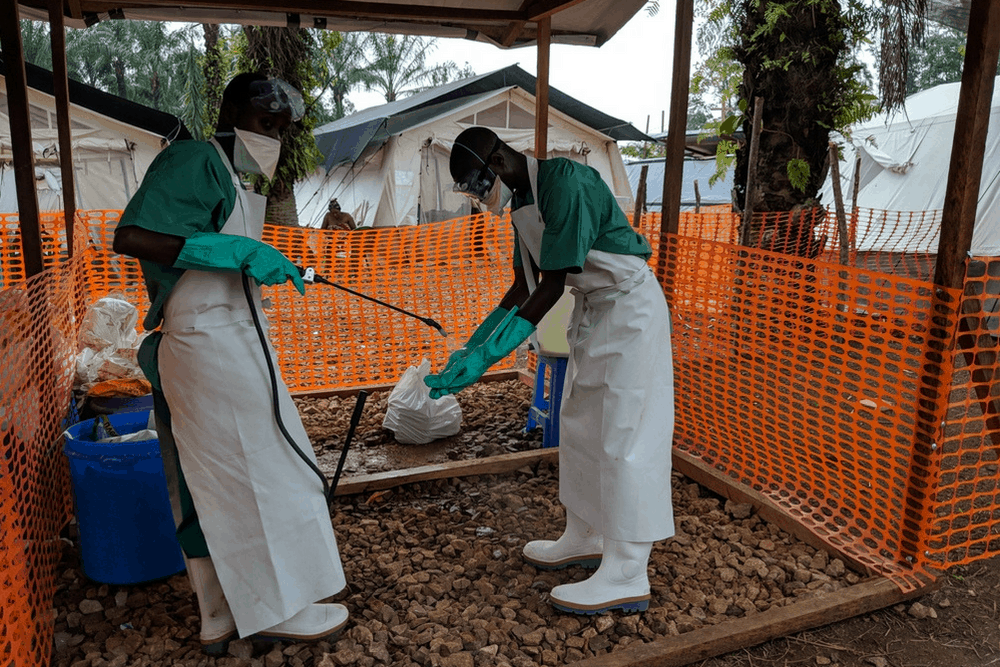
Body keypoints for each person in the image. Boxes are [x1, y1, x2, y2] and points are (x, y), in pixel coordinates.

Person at [112, 73, 349, 652]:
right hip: (204, 342)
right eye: (267, 124)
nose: (273, 137)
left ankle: (218, 613)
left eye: (282, 129)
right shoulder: (196, 158)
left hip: (229, 338)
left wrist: (249, 257)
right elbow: (133, 235)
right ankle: (274, 608)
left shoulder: (236, 177)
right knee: (256, 474)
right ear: (234, 111)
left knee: (212, 480)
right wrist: (234, 250)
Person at [426, 127, 675, 615]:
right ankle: (584, 534)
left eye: (477, 185)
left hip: (630, 309)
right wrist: (474, 346)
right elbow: (523, 285)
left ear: (498, 159)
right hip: (595, 310)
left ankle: (627, 569)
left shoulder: (566, 184)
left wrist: (494, 353)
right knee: (581, 423)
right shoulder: (522, 201)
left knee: (627, 432)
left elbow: (553, 284)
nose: (479, 198)